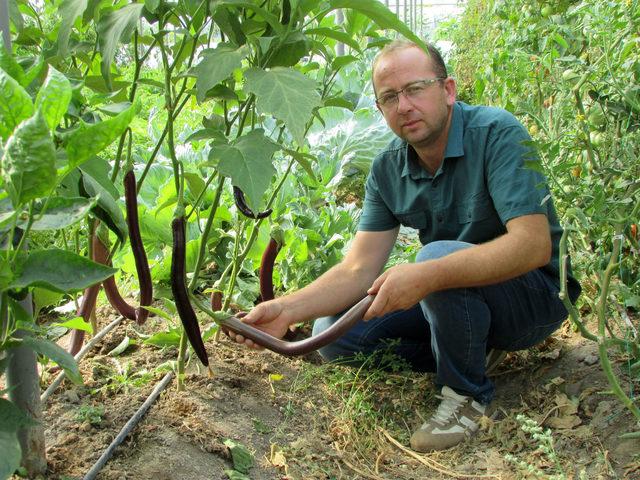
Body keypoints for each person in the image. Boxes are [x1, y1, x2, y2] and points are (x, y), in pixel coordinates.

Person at [227, 40, 581, 452]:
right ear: (380, 109)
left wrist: (429, 273)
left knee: (433, 257)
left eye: (416, 89)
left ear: (447, 90)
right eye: (390, 97)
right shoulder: (387, 169)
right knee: (335, 336)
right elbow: (358, 269)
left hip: (533, 297)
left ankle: (466, 396)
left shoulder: (496, 133)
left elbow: (533, 245)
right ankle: (469, 350)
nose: (404, 106)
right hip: (456, 296)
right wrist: (286, 309)